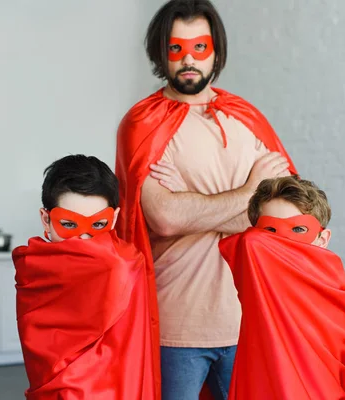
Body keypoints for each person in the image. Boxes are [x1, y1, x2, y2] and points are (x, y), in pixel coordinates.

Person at [114, 0, 297, 398]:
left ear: (217, 51)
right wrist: (250, 192)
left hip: (249, 319)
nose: (188, 60)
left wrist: (193, 208)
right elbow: (163, 219)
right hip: (175, 325)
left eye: (200, 47)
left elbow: (279, 217)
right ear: (160, 53)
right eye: (176, 49)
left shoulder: (245, 118)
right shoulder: (142, 125)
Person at [12, 155, 156, 400]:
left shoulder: (124, 265)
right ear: (46, 219)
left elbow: (131, 353)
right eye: (69, 225)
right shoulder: (32, 266)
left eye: (98, 226)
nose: (84, 242)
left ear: (114, 218)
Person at [219, 176, 345, 400]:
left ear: (322, 239)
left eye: (297, 230)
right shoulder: (255, 261)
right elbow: (250, 242)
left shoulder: (335, 287)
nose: (282, 245)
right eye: (270, 232)